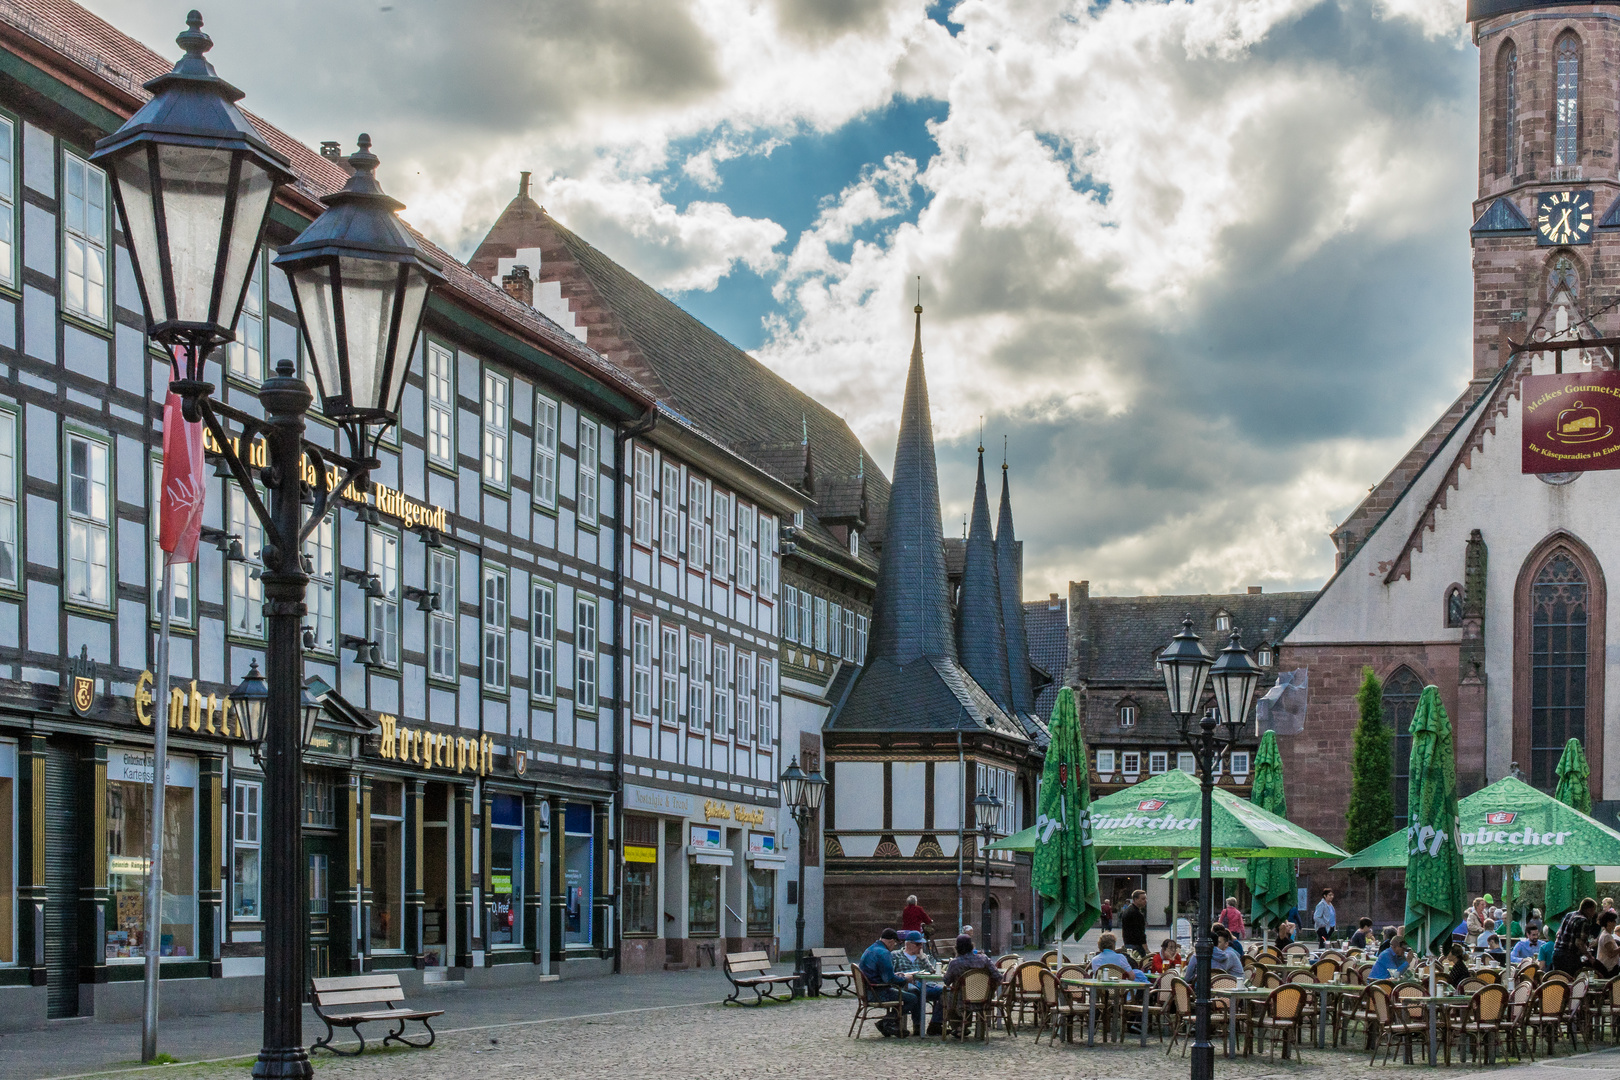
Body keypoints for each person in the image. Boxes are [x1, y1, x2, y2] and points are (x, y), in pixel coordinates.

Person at [859, 929, 916, 1037]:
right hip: (878, 992)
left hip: (867, 991)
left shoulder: (870, 949)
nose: (894, 946)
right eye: (894, 943)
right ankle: (888, 1022)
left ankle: (886, 1023)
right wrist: (906, 979)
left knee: (908, 996)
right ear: (891, 941)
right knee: (912, 998)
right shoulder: (884, 953)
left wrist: (896, 975)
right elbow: (889, 980)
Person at [891, 930, 945, 1035]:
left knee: (944, 992)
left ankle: (935, 1023)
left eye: (921, 944)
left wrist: (923, 958)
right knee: (915, 992)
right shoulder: (896, 955)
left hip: (924, 984)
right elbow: (892, 973)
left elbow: (931, 972)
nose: (920, 946)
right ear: (908, 944)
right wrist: (904, 976)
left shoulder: (921, 956)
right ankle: (918, 1025)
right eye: (917, 944)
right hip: (907, 984)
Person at [1553, 898, 1599, 977]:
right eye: (1594, 910)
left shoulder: (1569, 915)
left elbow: (1558, 934)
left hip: (1557, 953)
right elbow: (1579, 943)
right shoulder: (1583, 921)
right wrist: (1590, 957)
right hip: (1569, 957)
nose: (1594, 913)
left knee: (1559, 980)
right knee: (1572, 981)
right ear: (1588, 909)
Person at [1121, 889, 1149, 955]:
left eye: (1145, 898)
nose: (1145, 901)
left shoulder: (1127, 910)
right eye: (1143, 899)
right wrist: (1146, 949)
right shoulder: (1137, 913)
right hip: (1136, 946)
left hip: (1127, 943)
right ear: (1135, 899)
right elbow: (1140, 934)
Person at [1594, 910, 1620, 977]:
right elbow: (1611, 953)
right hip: (1609, 968)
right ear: (1608, 922)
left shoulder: (1606, 934)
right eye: (1613, 921)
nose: (1615, 923)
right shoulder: (1606, 936)